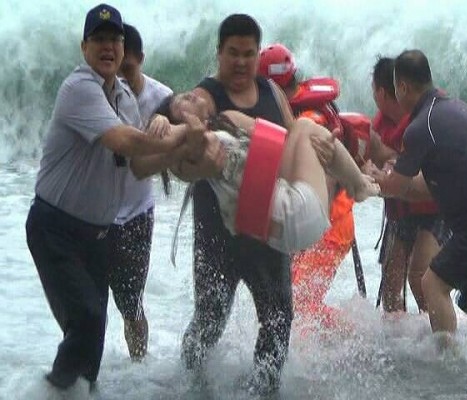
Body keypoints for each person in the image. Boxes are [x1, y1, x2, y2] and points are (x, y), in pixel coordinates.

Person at [23, 3, 219, 393]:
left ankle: (78, 389)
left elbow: (139, 165)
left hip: (96, 235)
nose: (108, 46)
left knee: (92, 338)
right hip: (55, 230)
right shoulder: (79, 88)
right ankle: (46, 393)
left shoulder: (126, 96)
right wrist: (183, 136)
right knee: (88, 318)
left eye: (115, 40)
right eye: (99, 39)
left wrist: (180, 151)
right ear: (84, 48)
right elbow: (123, 140)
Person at [162, 14, 296, 394]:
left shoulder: (272, 93)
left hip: (266, 230)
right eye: (232, 53)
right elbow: (189, 105)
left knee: (279, 317)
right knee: (210, 319)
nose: (240, 62)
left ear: (258, 54)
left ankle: (263, 390)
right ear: (219, 53)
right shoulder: (208, 93)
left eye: (248, 54)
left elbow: (293, 139)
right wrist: (184, 115)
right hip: (217, 231)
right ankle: (190, 384)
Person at [366, 49, 467, 346]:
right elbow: (421, 188)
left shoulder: (420, 126)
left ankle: (447, 363)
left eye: (396, 88)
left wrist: (374, 178)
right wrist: (388, 180)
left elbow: (397, 186)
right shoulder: (454, 107)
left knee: (432, 283)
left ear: (402, 87)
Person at [167, 93, 377, 254]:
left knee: (302, 132)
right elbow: (182, 160)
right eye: (180, 101)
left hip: (281, 221)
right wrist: (163, 124)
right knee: (305, 126)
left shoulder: (227, 120)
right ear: (179, 121)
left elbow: (282, 140)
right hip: (294, 217)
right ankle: (358, 185)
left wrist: (319, 154)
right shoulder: (195, 152)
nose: (189, 94)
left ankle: (352, 181)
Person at [258, 43, 360, 331]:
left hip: (329, 224)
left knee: (300, 306)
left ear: (273, 88)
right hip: (314, 217)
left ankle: (357, 335)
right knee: (293, 299)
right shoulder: (305, 113)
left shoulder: (309, 122)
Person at [106, 22, 174, 361]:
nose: (122, 78)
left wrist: (168, 124)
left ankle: (139, 367)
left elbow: (190, 133)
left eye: (128, 70)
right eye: (117, 71)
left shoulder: (160, 97)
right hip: (94, 214)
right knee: (89, 305)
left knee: (131, 304)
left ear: (141, 60)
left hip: (136, 214)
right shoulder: (100, 94)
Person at [367, 56, 450, 314]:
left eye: (373, 90)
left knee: (420, 277)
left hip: (433, 209)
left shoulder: (423, 118)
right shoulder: (378, 123)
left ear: (381, 91)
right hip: (400, 211)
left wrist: (387, 159)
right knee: (390, 286)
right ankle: (399, 344)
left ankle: (439, 331)